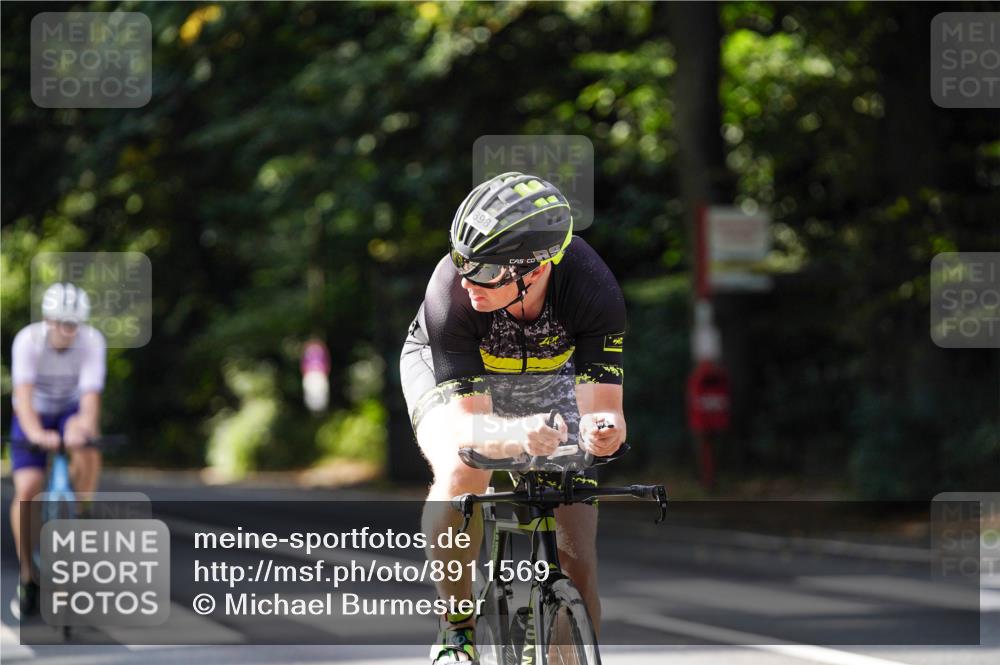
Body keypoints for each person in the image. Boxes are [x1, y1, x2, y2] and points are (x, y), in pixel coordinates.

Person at [400, 173, 627, 664]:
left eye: (482, 268)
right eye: (462, 260)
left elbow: (606, 407)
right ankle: (456, 628)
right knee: (464, 469)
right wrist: (517, 434)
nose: (466, 279)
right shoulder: (451, 294)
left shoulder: (593, 288)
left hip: (548, 378)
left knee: (578, 554)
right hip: (457, 379)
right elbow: (470, 428)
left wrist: (601, 432)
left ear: (536, 267)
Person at [9, 282, 106, 617]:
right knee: (27, 489)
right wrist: (36, 433)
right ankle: (27, 576)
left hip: (69, 410)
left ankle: (81, 510)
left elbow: (91, 398)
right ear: (49, 320)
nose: (69, 330)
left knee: (88, 449)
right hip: (33, 411)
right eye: (63, 323)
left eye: (74, 324)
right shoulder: (27, 341)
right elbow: (22, 395)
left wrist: (84, 429)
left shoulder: (91, 342)